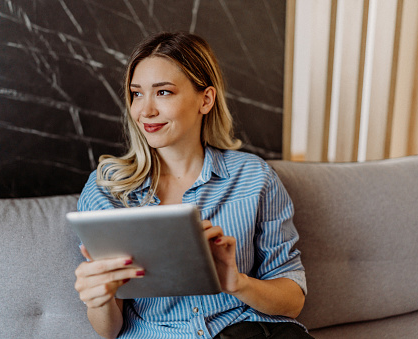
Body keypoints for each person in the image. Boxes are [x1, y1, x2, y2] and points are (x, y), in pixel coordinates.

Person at [74, 31, 313, 339]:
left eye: (163, 93)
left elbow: (292, 301)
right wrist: (100, 299)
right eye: (136, 94)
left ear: (206, 99)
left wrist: (236, 283)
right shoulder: (106, 190)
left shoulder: (254, 177)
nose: (145, 111)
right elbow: (109, 330)